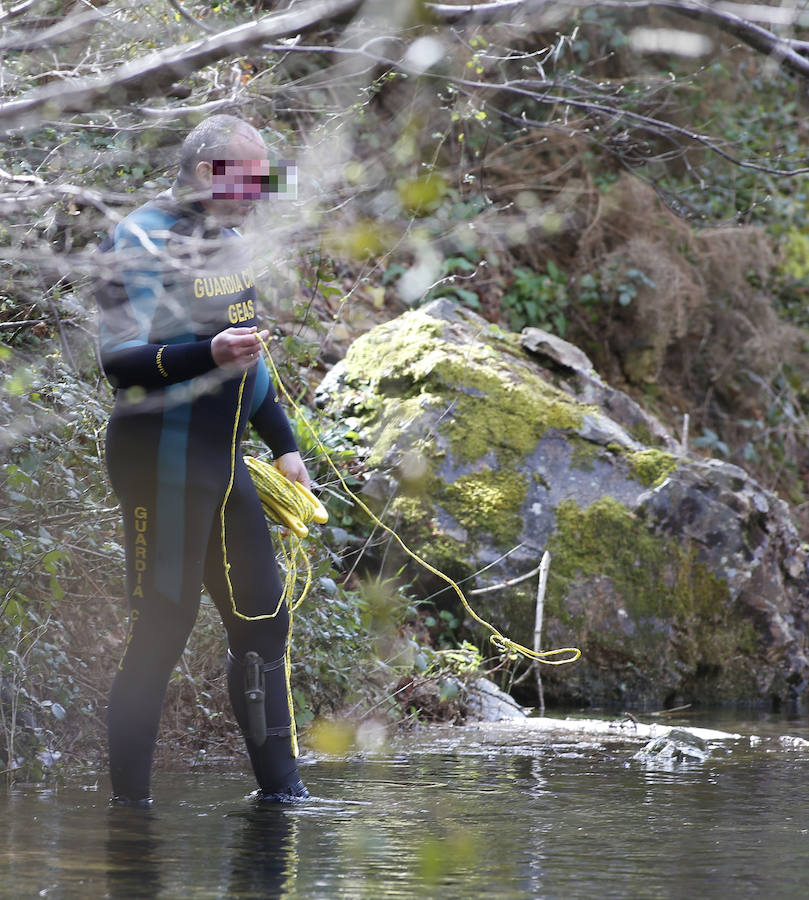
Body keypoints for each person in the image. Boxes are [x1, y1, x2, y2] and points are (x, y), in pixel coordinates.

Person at [95, 114, 311, 807]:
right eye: (250, 182)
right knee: (163, 624)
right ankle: (130, 814)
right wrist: (204, 354)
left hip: (222, 464)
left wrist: (284, 444)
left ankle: (283, 796)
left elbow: (251, 359)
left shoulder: (232, 242)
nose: (259, 196)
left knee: (263, 620)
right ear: (203, 173)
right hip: (155, 459)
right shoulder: (137, 240)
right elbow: (118, 362)